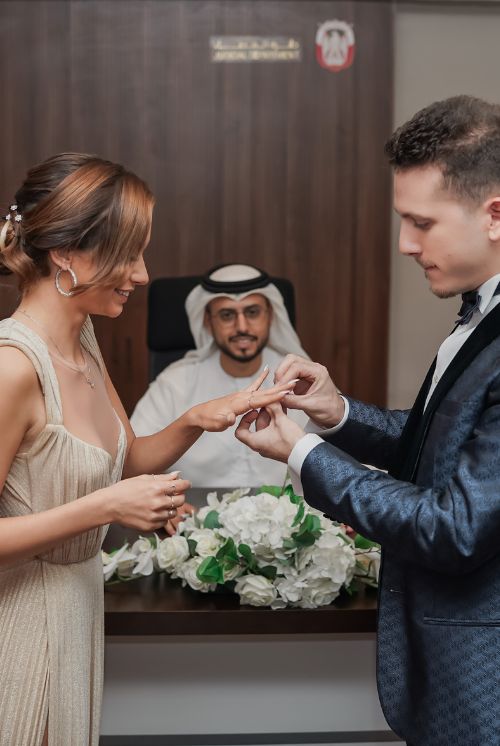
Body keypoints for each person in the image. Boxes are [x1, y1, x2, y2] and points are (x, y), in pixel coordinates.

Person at [0, 154, 293, 746]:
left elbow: (126, 460)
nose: (141, 274)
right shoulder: (13, 366)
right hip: (26, 625)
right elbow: (109, 493)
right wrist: (109, 507)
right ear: (67, 254)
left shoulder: (82, 340)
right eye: (129, 254)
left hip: (77, 610)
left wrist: (198, 419)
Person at [236, 95, 500, 745]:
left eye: (422, 223)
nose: (406, 244)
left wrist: (303, 455)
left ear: (495, 215)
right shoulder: (480, 315)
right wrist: (339, 413)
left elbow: (455, 528)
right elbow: (446, 445)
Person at [131, 263, 308, 487]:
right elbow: (133, 462)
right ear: (208, 321)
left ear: (271, 315)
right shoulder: (175, 383)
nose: (242, 327)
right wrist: (168, 496)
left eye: (252, 312)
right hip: (194, 507)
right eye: (227, 315)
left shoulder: (300, 376)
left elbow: (339, 452)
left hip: (290, 507)